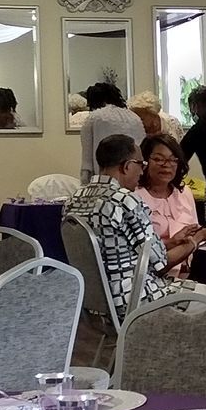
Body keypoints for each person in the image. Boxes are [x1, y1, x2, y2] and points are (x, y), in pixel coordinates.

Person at [69, 133, 170, 311]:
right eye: (141, 164)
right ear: (127, 166)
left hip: (92, 306)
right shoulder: (125, 201)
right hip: (136, 301)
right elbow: (159, 262)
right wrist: (194, 241)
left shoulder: (73, 200)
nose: (142, 171)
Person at [136, 135, 201, 273]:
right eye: (159, 159)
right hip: (152, 275)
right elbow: (136, 253)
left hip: (188, 273)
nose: (166, 165)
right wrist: (171, 242)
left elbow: (196, 234)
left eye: (173, 160)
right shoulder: (135, 197)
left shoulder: (184, 193)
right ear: (145, 161)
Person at [76, 79, 143, 182]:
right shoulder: (135, 117)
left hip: (105, 180)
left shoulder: (94, 117)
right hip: (135, 176)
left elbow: (87, 161)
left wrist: (85, 184)